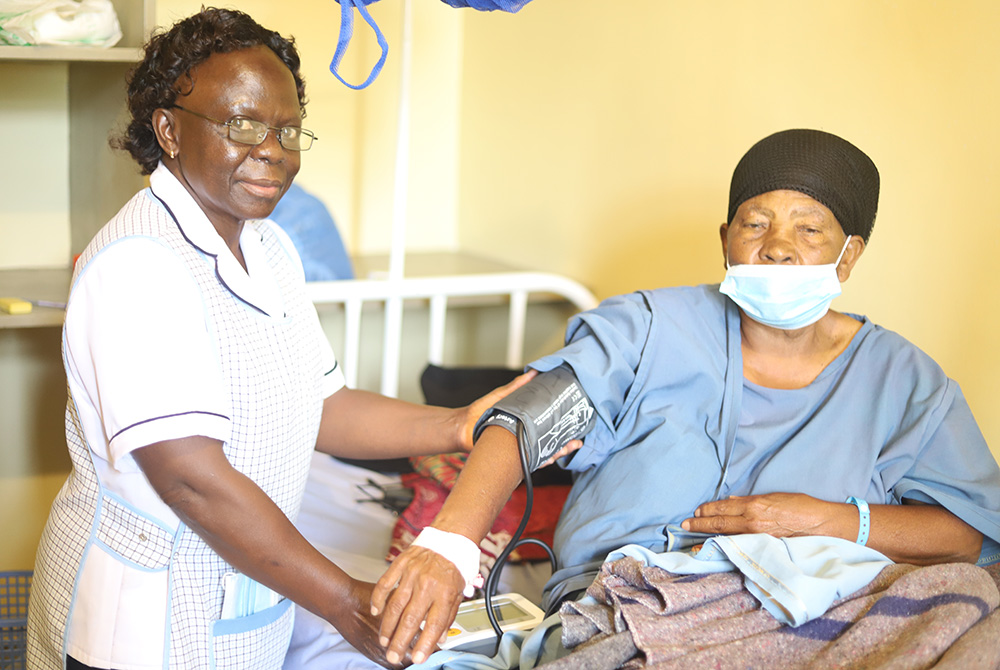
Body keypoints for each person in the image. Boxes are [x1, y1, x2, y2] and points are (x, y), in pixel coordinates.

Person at [24, 9, 566, 670]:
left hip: (244, 607)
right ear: (167, 129)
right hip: (142, 627)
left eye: (287, 130)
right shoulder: (141, 263)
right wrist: (343, 600)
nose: (272, 150)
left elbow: (325, 405)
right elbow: (193, 480)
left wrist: (460, 424)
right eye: (242, 125)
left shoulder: (270, 248)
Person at [370, 128, 1000, 666]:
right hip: (638, 607)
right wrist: (448, 545)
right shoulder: (648, 330)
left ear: (847, 257)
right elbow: (529, 415)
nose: (777, 245)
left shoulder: (905, 380)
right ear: (726, 238)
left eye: (810, 229)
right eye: (756, 222)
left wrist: (830, 522)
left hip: (827, 609)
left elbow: (967, 535)